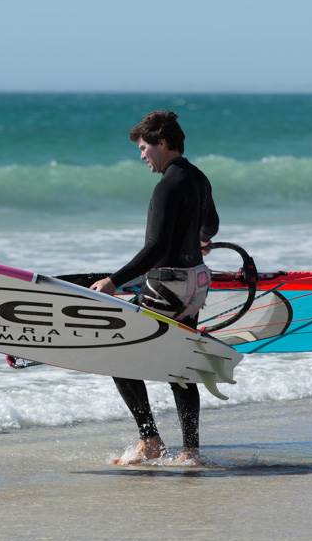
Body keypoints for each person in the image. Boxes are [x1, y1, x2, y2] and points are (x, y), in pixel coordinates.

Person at [90, 110, 219, 465]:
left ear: (162, 143)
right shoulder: (198, 177)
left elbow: (156, 248)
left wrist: (113, 281)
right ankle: (190, 450)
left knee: (118, 354)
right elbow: (211, 224)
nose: (142, 155)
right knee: (180, 365)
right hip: (196, 282)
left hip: (169, 285)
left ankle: (150, 440)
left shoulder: (166, 186)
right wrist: (199, 238)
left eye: (144, 148)